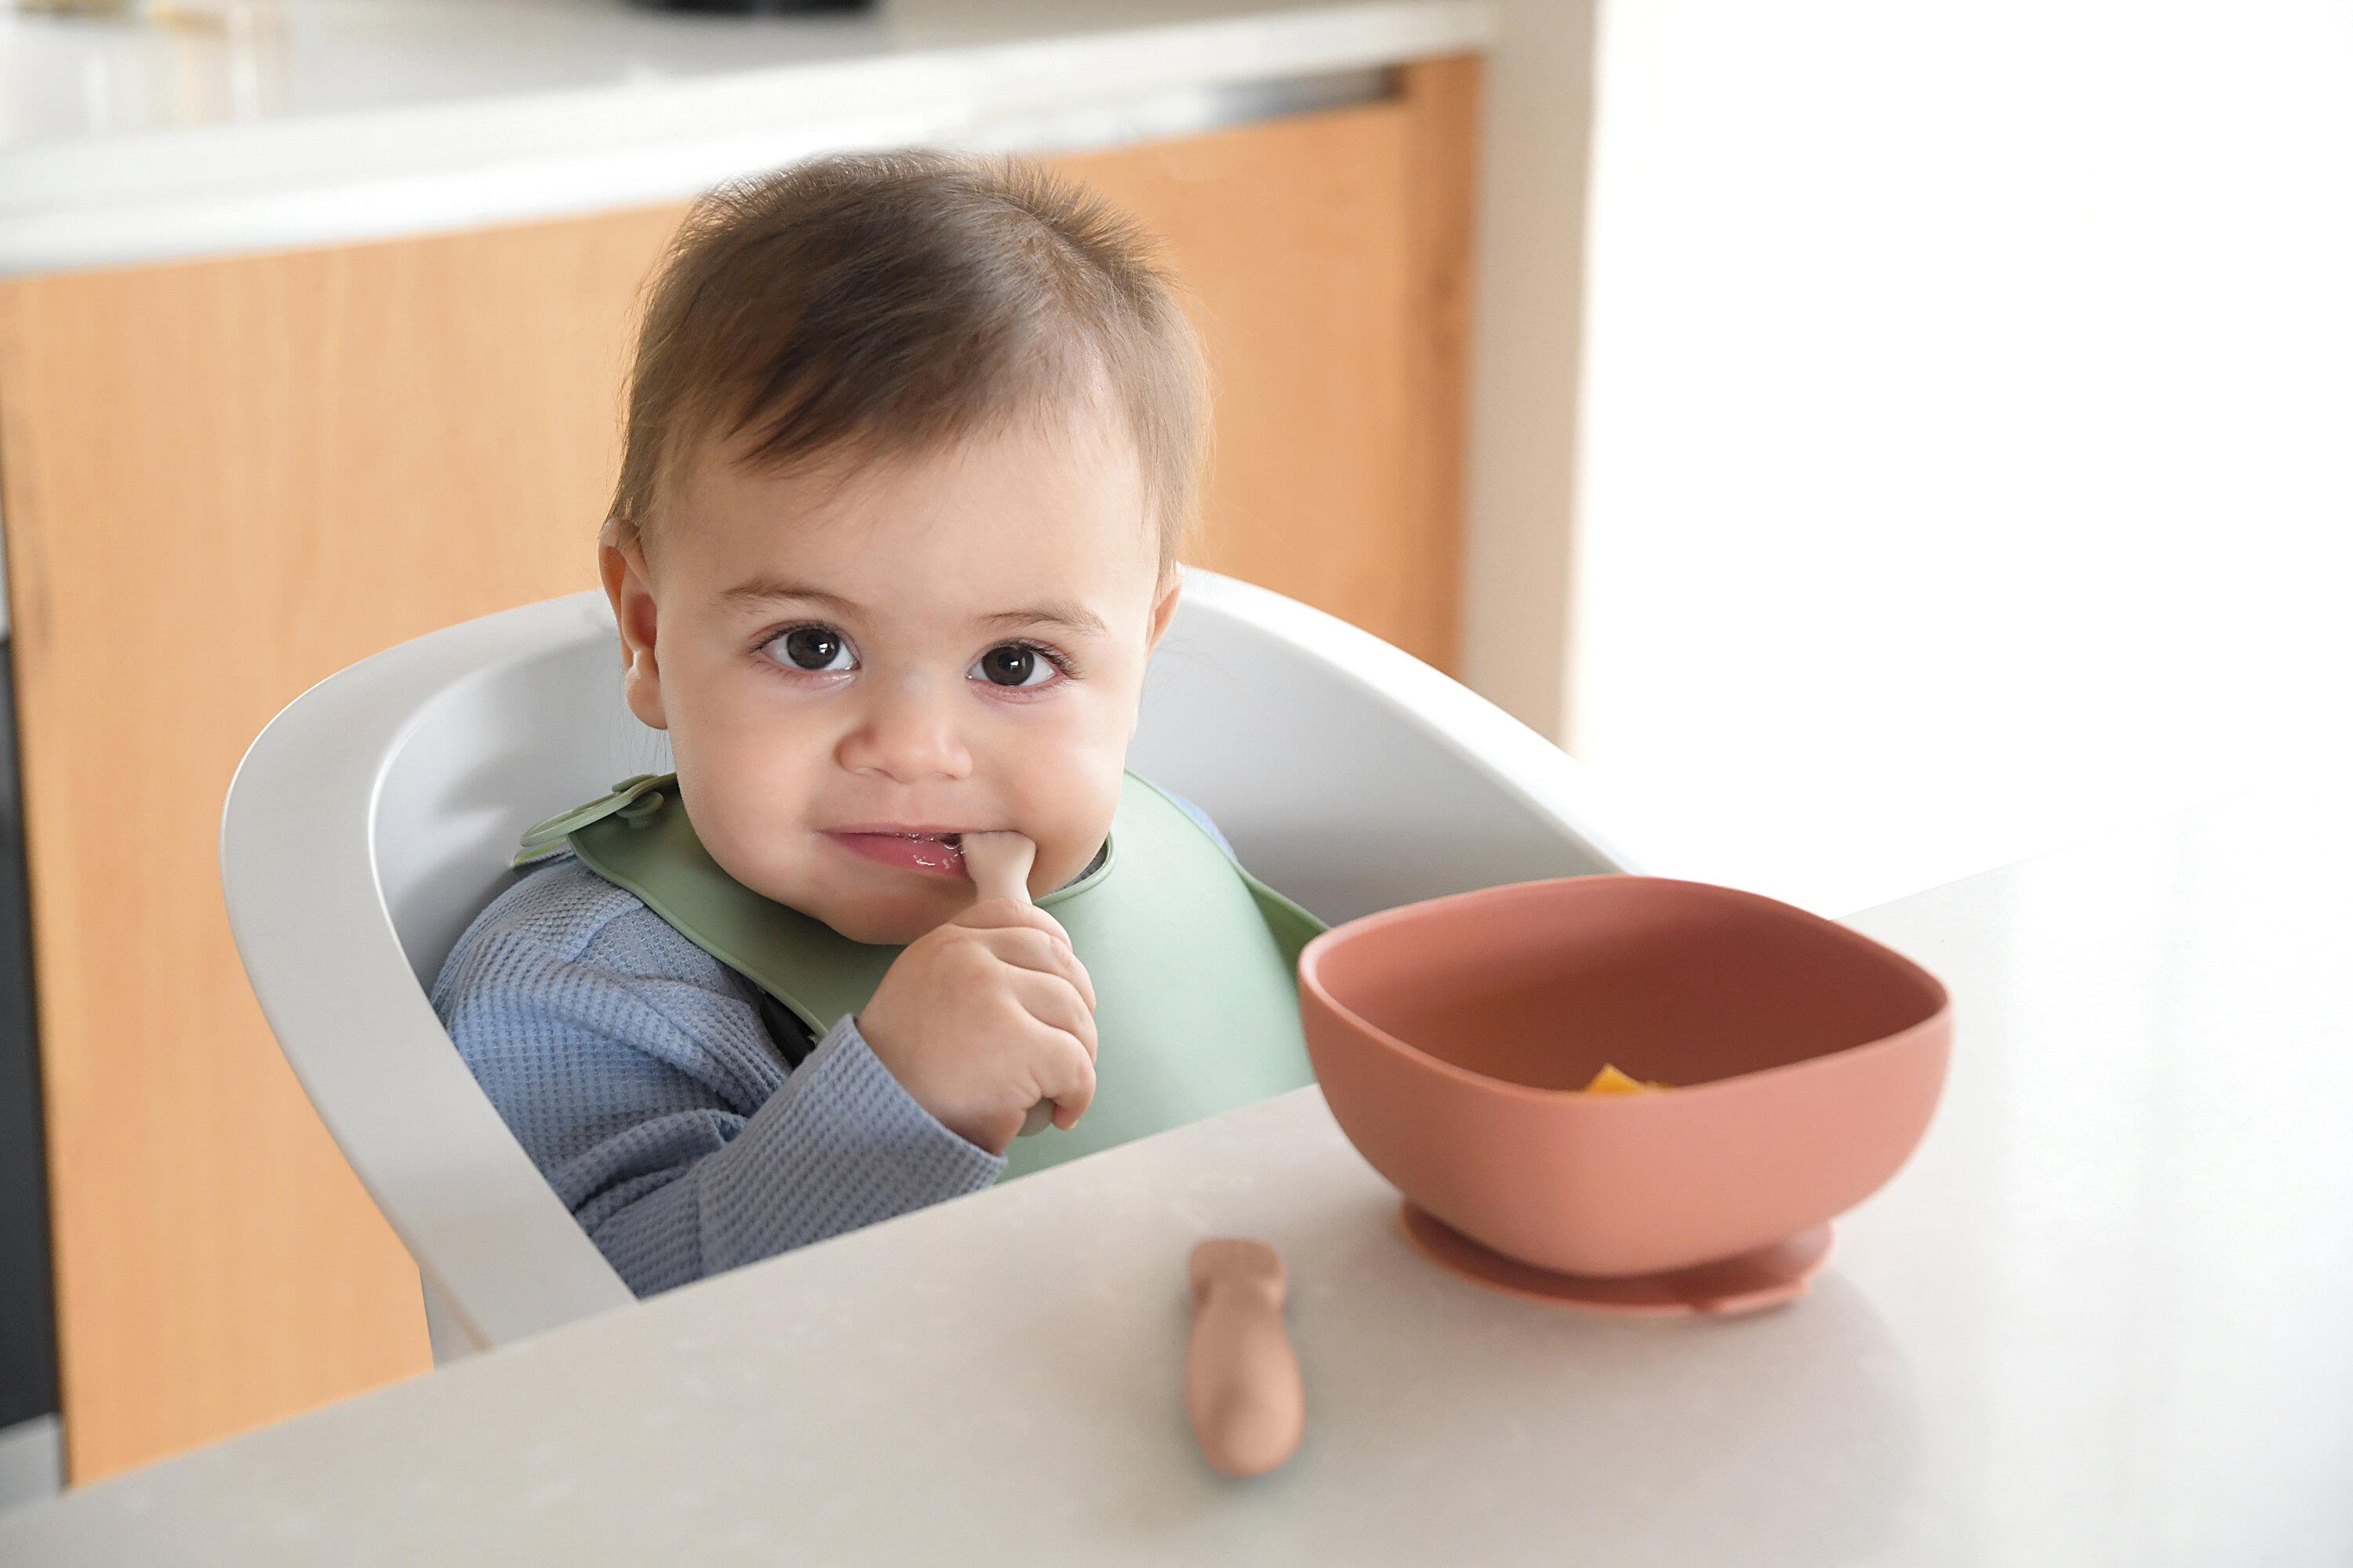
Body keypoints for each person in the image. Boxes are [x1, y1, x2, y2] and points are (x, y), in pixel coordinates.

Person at [432, 149, 1322, 1297]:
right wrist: (898, 1108)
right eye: (812, 647)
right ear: (649, 633)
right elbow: (594, 1356)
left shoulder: (1175, 858)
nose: (912, 750)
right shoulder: (579, 992)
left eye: (1015, 662)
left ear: (1140, 651)